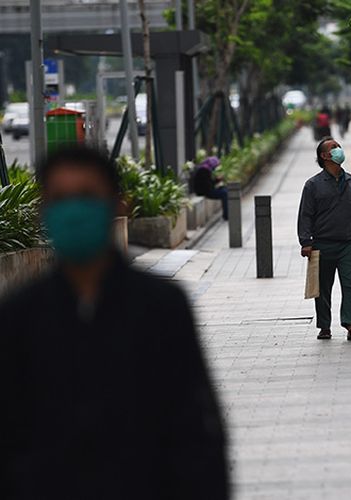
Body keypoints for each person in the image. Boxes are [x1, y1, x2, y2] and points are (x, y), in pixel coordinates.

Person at [0, 146, 229, 499]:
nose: (73, 211)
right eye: (60, 199)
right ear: (43, 213)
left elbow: (196, 427)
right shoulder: (20, 315)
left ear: (117, 204)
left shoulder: (162, 307)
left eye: (87, 196)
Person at [297, 137, 351, 341]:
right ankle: (324, 326)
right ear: (324, 156)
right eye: (333, 148)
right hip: (322, 244)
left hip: (350, 244)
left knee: (350, 284)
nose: (339, 150)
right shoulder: (312, 185)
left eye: (339, 146)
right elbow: (305, 215)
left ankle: (350, 324)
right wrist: (306, 242)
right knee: (322, 289)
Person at [193, 156, 228, 220]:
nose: (215, 167)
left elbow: (209, 183)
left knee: (225, 190)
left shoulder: (205, 168)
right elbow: (208, 185)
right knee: (225, 194)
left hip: (206, 190)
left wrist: (217, 180)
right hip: (204, 192)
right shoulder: (204, 170)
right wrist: (217, 181)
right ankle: (226, 215)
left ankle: (227, 213)